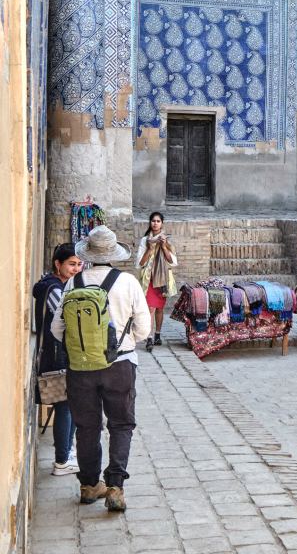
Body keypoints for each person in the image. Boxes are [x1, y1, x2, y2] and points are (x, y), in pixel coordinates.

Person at [51, 225, 150, 512]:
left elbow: (58, 329)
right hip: (119, 364)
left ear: (89, 255)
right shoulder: (128, 282)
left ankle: (89, 485)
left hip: (80, 369)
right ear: (114, 255)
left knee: (87, 427)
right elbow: (144, 330)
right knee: (121, 425)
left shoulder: (73, 283)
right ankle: (116, 487)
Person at [33, 244, 83, 475]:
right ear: (58, 264)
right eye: (71, 264)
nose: (76, 269)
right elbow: (67, 321)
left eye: (79, 264)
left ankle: (67, 451)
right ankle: (62, 459)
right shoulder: (54, 290)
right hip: (57, 355)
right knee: (65, 405)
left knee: (72, 404)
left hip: (62, 354)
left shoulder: (59, 286)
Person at [136, 211, 177, 352]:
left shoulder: (167, 240)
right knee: (150, 309)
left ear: (162, 223)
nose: (155, 223)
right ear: (150, 223)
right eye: (153, 221)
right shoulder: (145, 240)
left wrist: (164, 246)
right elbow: (140, 263)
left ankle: (158, 334)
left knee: (159, 308)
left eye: (158, 221)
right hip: (149, 280)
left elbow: (172, 261)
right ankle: (149, 338)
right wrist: (150, 248)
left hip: (162, 280)